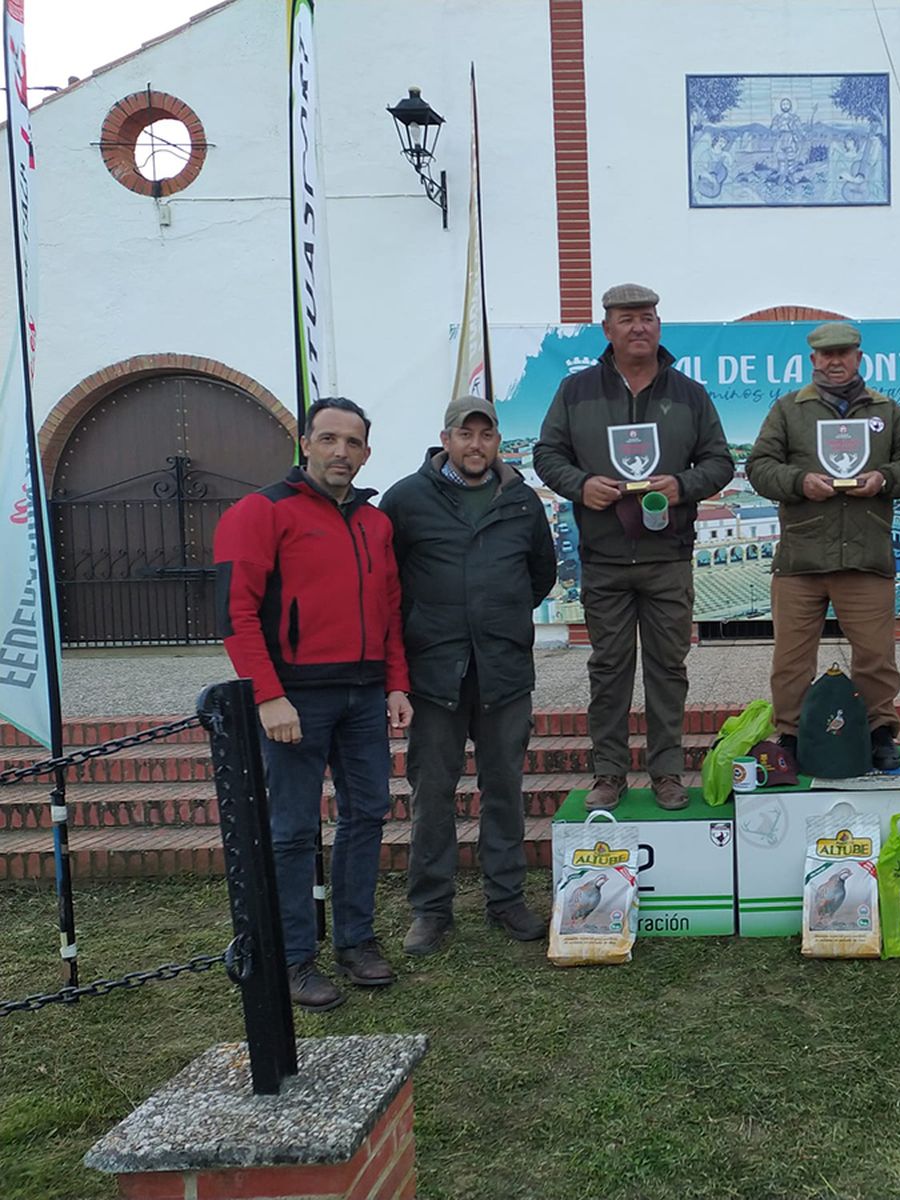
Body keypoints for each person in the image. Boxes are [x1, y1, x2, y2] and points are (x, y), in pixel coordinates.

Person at [214, 396, 412, 1010]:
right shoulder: (260, 512)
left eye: (353, 443)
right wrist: (268, 696)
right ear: (305, 443)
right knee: (294, 830)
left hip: (362, 697)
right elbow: (235, 613)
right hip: (295, 698)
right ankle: (296, 958)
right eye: (329, 439)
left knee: (367, 816)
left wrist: (396, 683)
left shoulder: (375, 523)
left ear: (367, 452)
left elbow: (390, 612)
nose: (341, 453)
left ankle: (356, 942)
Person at [532, 284, 733, 812]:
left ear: (659, 327)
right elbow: (547, 453)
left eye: (647, 317)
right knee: (610, 669)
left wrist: (682, 485)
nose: (638, 327)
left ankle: (667, 772)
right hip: (605, 558)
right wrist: (580, 485)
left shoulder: (689, 393)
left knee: (669, 670)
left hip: (668, 559)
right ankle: (609, 774)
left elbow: (720, 461)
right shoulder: (576, 391)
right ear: (607, 329)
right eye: (627, 319)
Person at [381, 395, 557, 957]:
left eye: (486, 435)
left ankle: (505, 898)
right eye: (465, 434)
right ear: (446, 438)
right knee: (432, 791)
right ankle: (431, 909)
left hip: (504, 670)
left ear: (497, 441)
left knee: (503, 788)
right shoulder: (406, 500)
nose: (476, 445)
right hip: (435, 672)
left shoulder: (522, 501)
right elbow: (390, 583)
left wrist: (496, 619)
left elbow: (540, 575)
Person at [746, 321, 900, 770]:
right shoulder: (789, 410)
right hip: (800, 560)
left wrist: (884, 478)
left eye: (844, 353)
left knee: (875, 656)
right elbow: (759, 467)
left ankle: (879, 730)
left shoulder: (887, 412)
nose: (835, 361)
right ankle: (789, 733)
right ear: (813, 361)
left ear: (859, 358)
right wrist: (799, 482)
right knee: (790, 659)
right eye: (826, 355)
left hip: (865, 555)